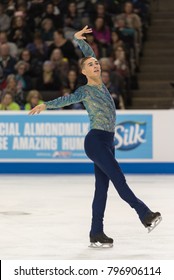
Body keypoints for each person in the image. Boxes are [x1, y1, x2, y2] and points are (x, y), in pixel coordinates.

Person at [29, 26, 162, 248]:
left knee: (102, 189)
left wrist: (78, 39)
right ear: (84, 72)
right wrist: (46, 104)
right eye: (91, 64)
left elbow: (89, 54)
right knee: (119, 179)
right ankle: (144, 214)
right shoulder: (86, 90)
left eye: (97, 63)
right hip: (96, 141)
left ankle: (96, 232)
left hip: (108, 142)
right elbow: (66, 99)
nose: (95, 65)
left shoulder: (102, 87)